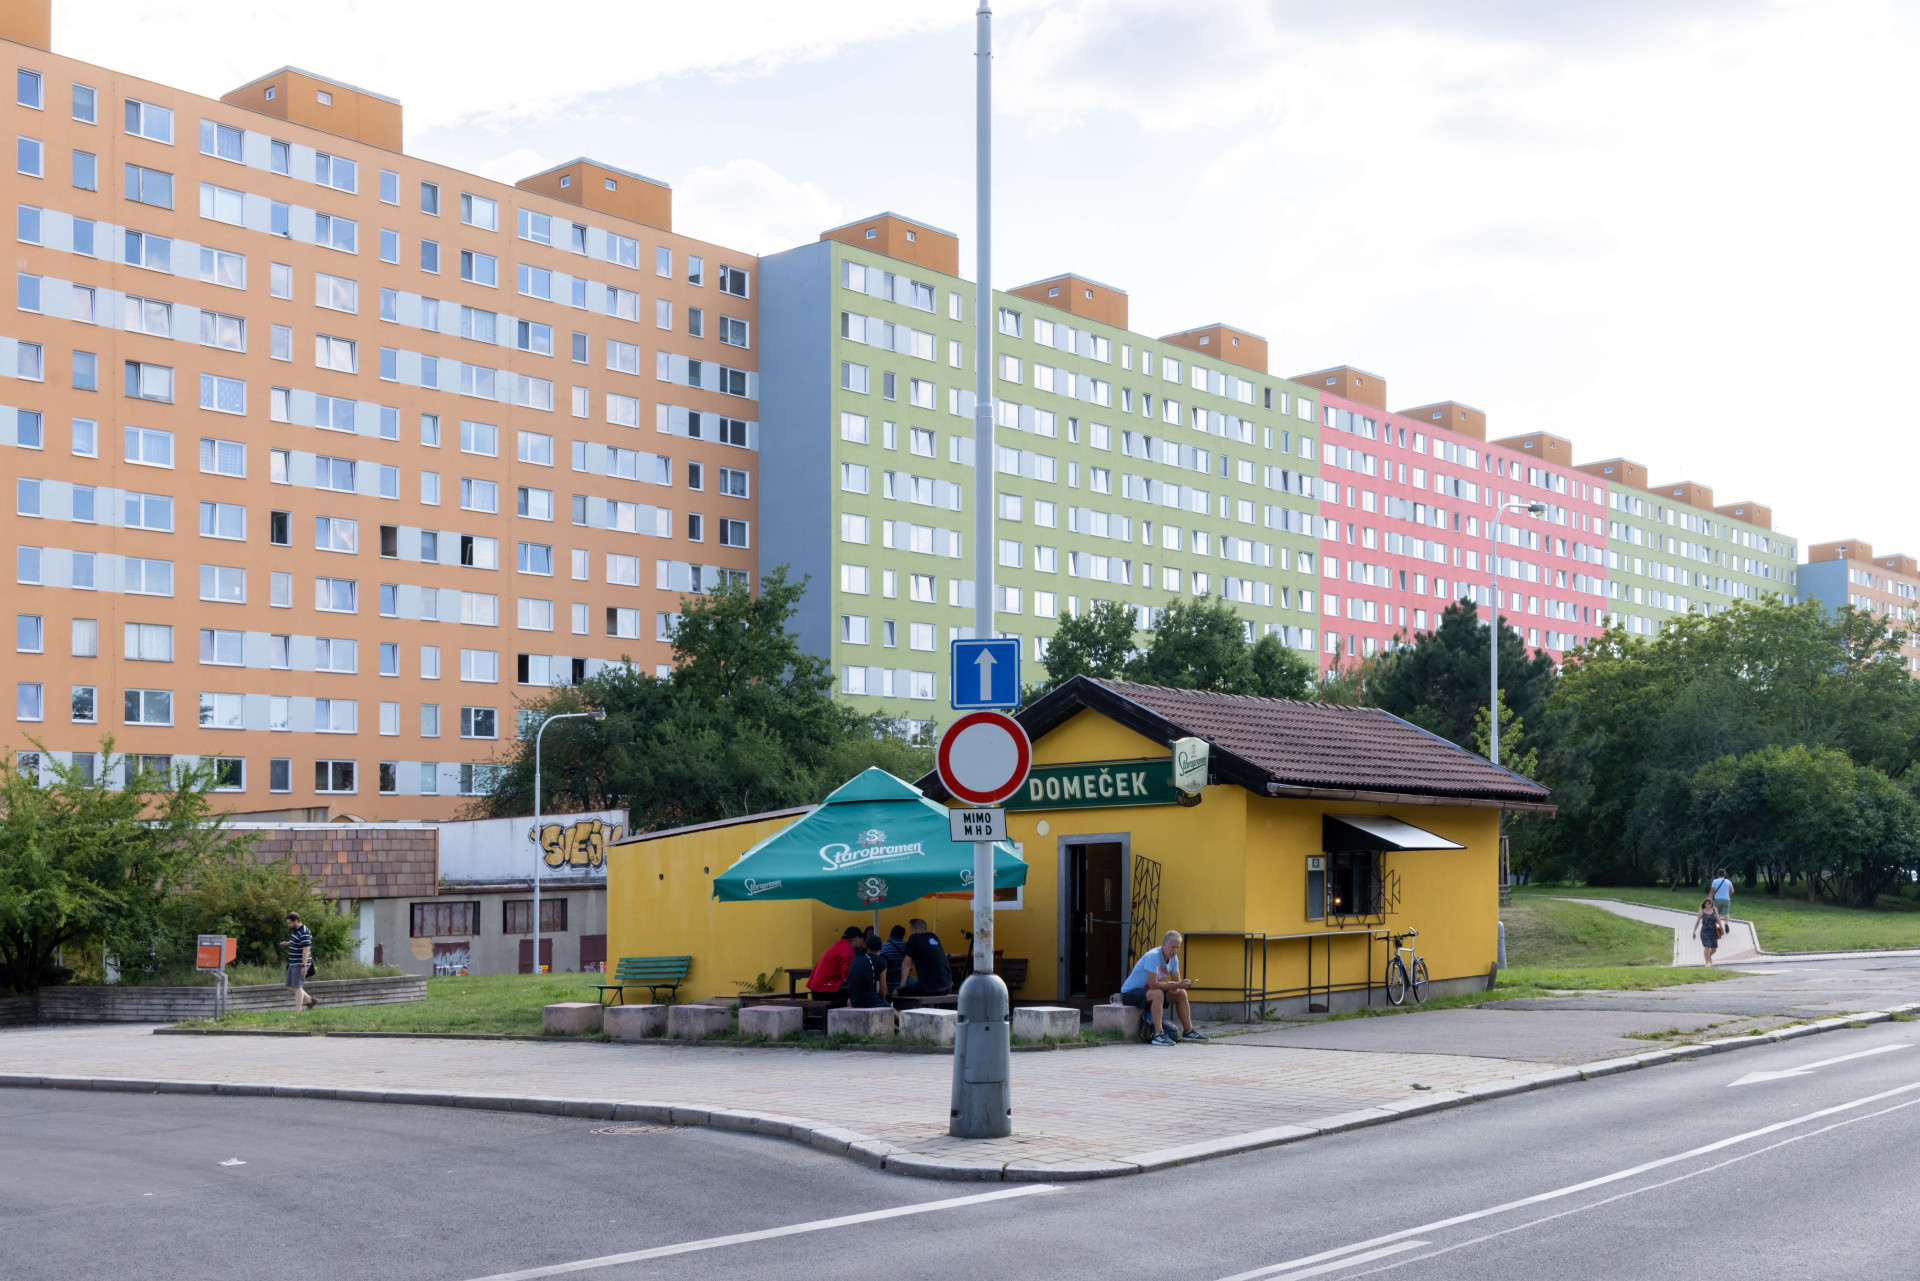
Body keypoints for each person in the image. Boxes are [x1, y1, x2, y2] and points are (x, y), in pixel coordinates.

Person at [1121, 930, 1206, 1045]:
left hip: (1149, 993)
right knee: (1157, 993)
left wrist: (1182, 985)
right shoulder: (1153, 956)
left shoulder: (1174, 959)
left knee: (1181, 993)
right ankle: (1158, 1034)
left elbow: (1176, 987)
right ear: (1163, 945)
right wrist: (1176, 984)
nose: (1175, 951)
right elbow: (1153, 984)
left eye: (1178, 947)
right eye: (1172, 947)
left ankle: (1188, 1031)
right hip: (1130, 993)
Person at [898, 919, 952, 996]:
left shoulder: (914, 938)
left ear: (915, 930)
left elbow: (906, 964)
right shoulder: (934, 937)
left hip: (931, 989)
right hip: (947, 986)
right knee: (913, 981)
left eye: (911, 929)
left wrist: (901, 987)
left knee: (901, 990)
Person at [807, 926, 865, 996]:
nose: (863, 942)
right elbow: (847, 975)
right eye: (862, 939)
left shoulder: (839, 945)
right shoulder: (848, 950)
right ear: (856, 939)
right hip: (824, 989)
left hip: (817, 988)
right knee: (860, 987)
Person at [844, 932, 890, 1008]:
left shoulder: (856, 959)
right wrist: (883, 1000)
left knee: (849, 1001)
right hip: (867, 999)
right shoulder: (882, 961)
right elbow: (883, 989)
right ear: (881, 948)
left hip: (852, 999)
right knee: (891, 1010)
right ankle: (902, 1020)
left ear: (866, 947)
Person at [283, 912, 317, 1011]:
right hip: (292, 962)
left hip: (299, 963)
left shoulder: (304, 932)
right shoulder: (296, 930)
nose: (288, 925)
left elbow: (306, 949)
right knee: (289, 986)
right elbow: (295, 941)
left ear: (296, 921)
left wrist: (304, 965)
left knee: (297, 987)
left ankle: (298, 1011)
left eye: (290, 923)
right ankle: (310, 1000)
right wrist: (286, 943)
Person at [879, 925, 910, 992]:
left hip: (887, 984)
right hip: (903, 984)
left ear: (890, 934)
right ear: (903, 935)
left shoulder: (882, 947)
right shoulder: (907, 946)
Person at [1692, 898, 1722, 967]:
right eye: (1706, 904)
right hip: (1705, 930)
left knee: (1714, 949)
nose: (1708, 906)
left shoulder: (1715, 910)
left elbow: (1718, 919)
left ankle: (1709, 956)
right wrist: (1694, 931)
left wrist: (1721, 927)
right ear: (1704, 904)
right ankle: (1707, 963)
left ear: (1712, 904)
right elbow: (1697, 922)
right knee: (1707, 947)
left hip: (1713, 930)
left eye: (1709, 904)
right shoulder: (1702, 911)